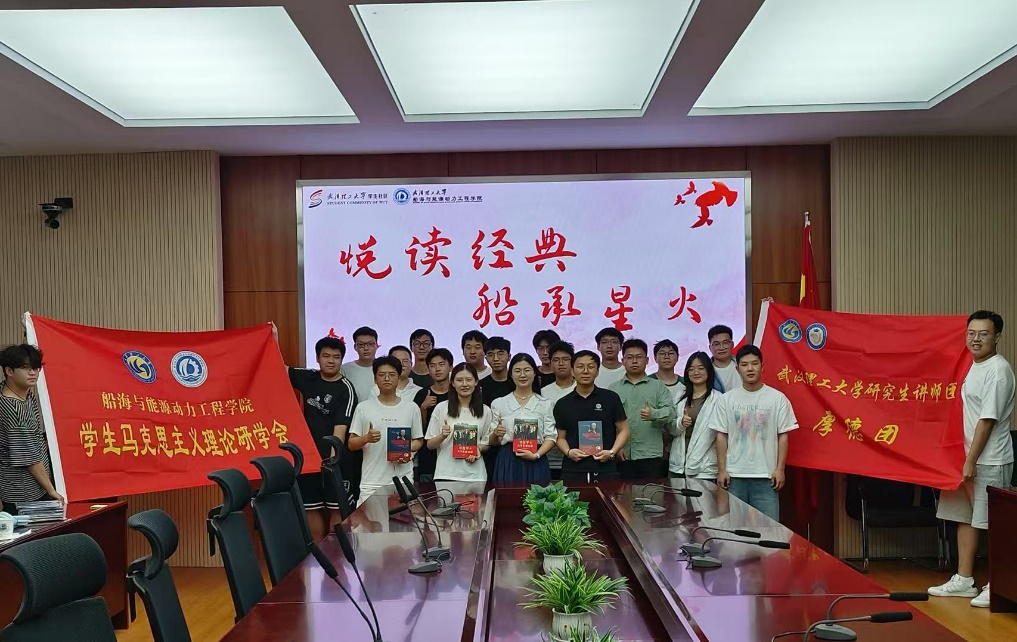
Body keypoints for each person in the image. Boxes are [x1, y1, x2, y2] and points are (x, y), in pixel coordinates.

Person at [928, 310, 1015, 608]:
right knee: (965, 518)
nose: (976, 339)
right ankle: (964, 579)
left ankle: (997, 584)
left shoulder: (998, 371)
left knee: (993, 524)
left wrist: (971, 461)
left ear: (997, 337)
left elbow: (987, 420)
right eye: (971, 333)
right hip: (963, 457)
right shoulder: (969, 366)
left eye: (984, 334)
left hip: (988, 460)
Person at [710, 345, 798, 521]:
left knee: (769, 528)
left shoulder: (777, 398)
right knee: (736, 529)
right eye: (744, 365)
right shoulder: (726, 400)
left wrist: (780, 469)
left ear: (762, 366)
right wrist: (722, 470)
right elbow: (721, 436)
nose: (750, 368)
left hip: (766, 476)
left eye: (754, 363)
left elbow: (783, 435)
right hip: (734, 476)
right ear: (737, 369)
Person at [287, 336, 358, 539]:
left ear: (341, 360)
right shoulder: (308, 377)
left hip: (335, 461)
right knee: (311, 508)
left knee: (337, 509)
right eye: (326, 356)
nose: (331, 361)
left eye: (336, 357)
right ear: (318, 358)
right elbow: (279, 368)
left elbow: (340, 431)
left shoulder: (346, 389)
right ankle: (318, 554)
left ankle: (338, 554)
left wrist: (332, 461)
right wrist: (271, 339)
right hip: (308, 458)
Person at [347, 356, 423, 503]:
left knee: (404, 518)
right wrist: (366, 438)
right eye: (381, 375)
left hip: (403, 481)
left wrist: (406, 448)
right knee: (370, 519)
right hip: (372, 481)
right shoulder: (363, 408)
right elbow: (351, 444)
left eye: (392, 374)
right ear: (375, 379)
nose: (387, 378)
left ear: (398, 378)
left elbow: (418, 441)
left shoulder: (411, 408)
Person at [0, 344, 63, 514]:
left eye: (36, 368)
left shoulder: (21, 391)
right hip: (24, 492)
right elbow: (29, 459)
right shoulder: (13, 408)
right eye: (26, 368)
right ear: (9, 371)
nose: (33, 373)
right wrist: (51, 490)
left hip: (33, 485)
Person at [554, 350, 630, 483]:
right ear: (572, 371)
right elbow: (560, 438)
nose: (585, 371)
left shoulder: (610, 398)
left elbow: (624, 430)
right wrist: (568, 452)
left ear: (597, 372)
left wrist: (612, 452)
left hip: (606, 469)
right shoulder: (563, 403)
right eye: (580, 367)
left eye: (590, 367)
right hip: (573, 470)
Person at [610, 339, 675, 480]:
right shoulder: (613, 389)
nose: (634, 361)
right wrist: (616, 447)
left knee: (651, 493)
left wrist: (654, 414)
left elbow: (671, 413)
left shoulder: (658, 387)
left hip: (650, 456)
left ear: (647, 360)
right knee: (622, 493)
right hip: (622, 455)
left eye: (639, 357)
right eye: (629, 357)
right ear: (623, 361)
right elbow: (608, 423)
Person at [490, 354, 557, 484]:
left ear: (534, 373)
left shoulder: (546, 404)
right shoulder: (499, 403)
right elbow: (493, 442)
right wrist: (496, 433)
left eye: (527, 370)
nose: (522, 375)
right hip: (508, 459)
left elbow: (551, 437)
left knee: (538, 496)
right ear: (511, 374)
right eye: (517, 371)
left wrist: (536, 455)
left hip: (536, 458)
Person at [426, 363, 494, 482]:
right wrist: (443, 436)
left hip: (476, 475)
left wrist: (478, 449)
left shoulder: (485, 411)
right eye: (459, 380)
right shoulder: (442, 408)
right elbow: (430, 445)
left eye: (469, 380)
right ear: (452, 383)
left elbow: (487, 443)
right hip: (446, 474)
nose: (464, 384)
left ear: (476, 382)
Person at [669, 352, 720, 481]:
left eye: (701, 368)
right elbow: (669, 428)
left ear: (709, 370)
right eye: (691, 369)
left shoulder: (718, 399)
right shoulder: (679, 396)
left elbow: (719, 434)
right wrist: (680, 423)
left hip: (705, 468)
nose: (696, 372)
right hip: (677, 466)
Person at [412, 348, 453, 482]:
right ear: (428, 369)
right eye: (433, 365)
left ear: (450, 367)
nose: (437, 369)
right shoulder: (422, 394)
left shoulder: (458, 393)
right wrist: (423, 408)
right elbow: (417, 430)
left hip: (453, 456)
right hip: (428, 456)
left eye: (441, 364)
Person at [541, 341, 576, 480]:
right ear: (550, 364)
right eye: (556, 360)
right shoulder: (543, 392)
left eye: (565, 359)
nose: (561, 363)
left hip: (576, 456)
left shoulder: (582, 389)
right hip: (548, 457)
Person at [342, 326, 379, 401]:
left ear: (377, 346)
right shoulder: (345, 369)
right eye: (361, 345)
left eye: (370, 344)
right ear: (355, 347)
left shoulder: (385, 368)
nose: (366, 348)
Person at [479, 336, 515, 406]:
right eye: (490, 354)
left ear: (509, 357)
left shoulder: (518, 382)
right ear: (486, 358)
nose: (496, 359)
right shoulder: (481, 386)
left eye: (500, 354)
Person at [708, 325, 740, 393]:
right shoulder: (705, 370)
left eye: (725, 343)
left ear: (732, 344)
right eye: (716, 344)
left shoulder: (742, 365)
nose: (721, 348)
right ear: (710, 348)